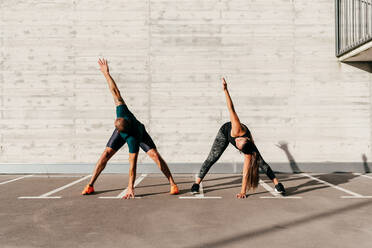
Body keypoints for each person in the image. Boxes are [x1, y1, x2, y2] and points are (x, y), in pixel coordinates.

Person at [82, 59, 179, 198]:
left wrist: (130, 188)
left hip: (139, 132)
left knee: (155, 156)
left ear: (122, 132)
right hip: (125, 130)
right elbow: (115, 91)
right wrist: (106, 74)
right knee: (105, 155)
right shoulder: (122, 112)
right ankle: (90, 185)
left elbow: (132, 167)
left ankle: (172, 184)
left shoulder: (133, 139)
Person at [191, 78, 286, 198]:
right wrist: (225, 90)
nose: (236, 142)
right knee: (212, 158)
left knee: (261, 162)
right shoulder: (237, 129)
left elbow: (245, 172)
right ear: (245, 138)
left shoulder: (248, 151)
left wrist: (243, 192)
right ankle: (196, 183)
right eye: (238, 141)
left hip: (244, 144)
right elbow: (231, 108)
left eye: (238, 145)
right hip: (225, 132)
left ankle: (278, 185)